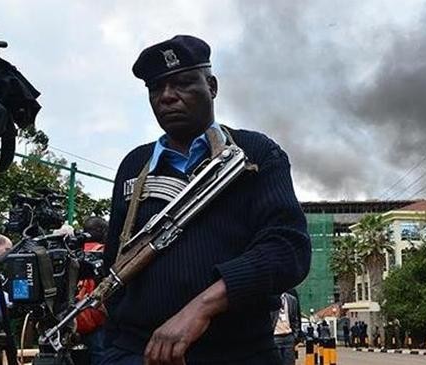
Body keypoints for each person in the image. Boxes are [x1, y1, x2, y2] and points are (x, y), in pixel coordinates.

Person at [101, 35, 311, 365]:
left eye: (183, 83)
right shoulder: (133, 167)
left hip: (239, 353)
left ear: (211, 86)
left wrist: (202, 306)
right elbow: (113, 268)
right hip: (140, 354)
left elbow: (287, 250)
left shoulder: (256, 154)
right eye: (156, 89)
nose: (167, 97)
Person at [75, 217, 108, 365]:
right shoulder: (104, 253)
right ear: (101, 231)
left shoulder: (73, 251)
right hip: (96, 319)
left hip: (70, 320)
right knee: (100, 357)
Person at [271, 291, 300, 365]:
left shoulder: (292, 299)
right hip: (275, 337)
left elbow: (295, 319)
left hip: (289, 337)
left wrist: (295, 336)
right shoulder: (271, 299)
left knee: (289, 362)